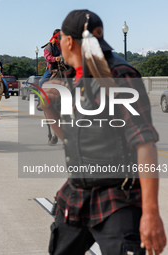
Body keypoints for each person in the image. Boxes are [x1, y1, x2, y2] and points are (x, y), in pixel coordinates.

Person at [41, 10, 166, 255]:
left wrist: (151, 213)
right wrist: (48, 107)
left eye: (61, 40)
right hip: (76, 195)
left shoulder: (119, 76)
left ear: (67, 42)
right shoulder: (74, 79)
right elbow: (70, 137)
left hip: (117, 198)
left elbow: (145, 144)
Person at [37, 29, 62, 111]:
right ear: (56, 37)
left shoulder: (64, 45)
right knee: (42, 81)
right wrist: (55, 58)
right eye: (60, 36)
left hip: (64, 67)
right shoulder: (49, 46)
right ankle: (39, 102)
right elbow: (47, 57)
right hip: (52, 68)